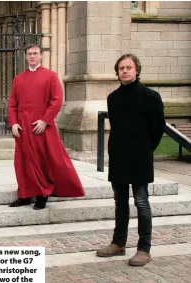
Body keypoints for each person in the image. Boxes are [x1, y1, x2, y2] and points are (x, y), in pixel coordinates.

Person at [95, 54, 165, 267]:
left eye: (129, 67)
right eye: (121, 68)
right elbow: (116, 126)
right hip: (119, 155)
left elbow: (158, 128)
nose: (125, 71)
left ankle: (144, 248)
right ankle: (118, 243)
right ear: (117, 72)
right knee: (120, 202)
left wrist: (145, 148)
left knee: (141, 201)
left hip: (140, 156)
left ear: (136, 70)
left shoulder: (151, 96)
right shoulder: (113, 98)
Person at [7, 43, 85, 210]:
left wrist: (45, 120)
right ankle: (25, 195)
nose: (32, 56)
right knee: (22, 161)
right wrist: (13, 122)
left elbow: (56, 101)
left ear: (41, 55)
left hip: (40, 126)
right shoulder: (18, 78)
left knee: (41, 160)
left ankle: (42, 195)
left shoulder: (50, 76)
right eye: (29, 54)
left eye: (35, 53)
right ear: (26, 56)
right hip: (22, 127)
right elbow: (12, 104)